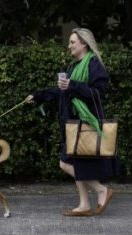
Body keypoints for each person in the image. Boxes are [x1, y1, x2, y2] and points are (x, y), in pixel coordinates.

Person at [25, 28, 120, 216]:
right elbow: (62, 92)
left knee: (66, 163)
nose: (69, 46)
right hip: (72, 124)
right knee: (76, 163)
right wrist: (38, 96)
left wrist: (73, 85)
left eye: (72, 42)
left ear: (83, 43)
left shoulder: (93, 64)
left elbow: (98, 94)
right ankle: (84, 204)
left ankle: (101, 190)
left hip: (84, 123)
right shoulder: (73, 67)